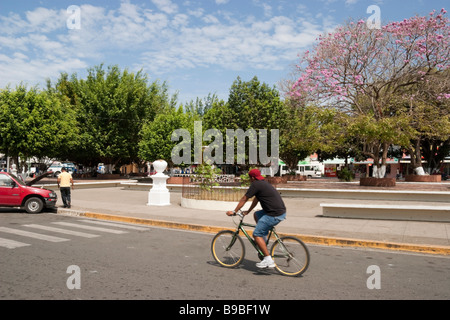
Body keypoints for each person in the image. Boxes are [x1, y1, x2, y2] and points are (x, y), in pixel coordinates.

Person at [226, 169, 286, 269]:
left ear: (252, 177)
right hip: (279, 211)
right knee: (257, 214)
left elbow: (244, 198)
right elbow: (256, 200)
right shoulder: (263, 183)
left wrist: (234, 211)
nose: (250, 180)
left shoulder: (255, 184)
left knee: (256, 234)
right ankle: (263, 242)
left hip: (274, 214)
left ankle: (268, 260)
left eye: (250, 178)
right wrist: (248, 211)